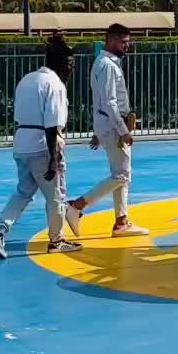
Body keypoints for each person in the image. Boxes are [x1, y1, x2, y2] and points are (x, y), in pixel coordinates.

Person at [0, 34, 81, 259]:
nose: (71, 70)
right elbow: (51, 126)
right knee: (56, 194)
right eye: (69, 64)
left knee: (23, 192)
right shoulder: (55, 85)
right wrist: (53, 159)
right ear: (58, 63)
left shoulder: (28, 79)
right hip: (41, 146)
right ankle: (56, 240)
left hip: (21, 143)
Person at [65, 23, 148, 238]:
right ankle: (77, 206)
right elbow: (109, 102)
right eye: (123, 42)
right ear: (111, 40)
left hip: (108, 125)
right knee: (121, 175)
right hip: (113, 126)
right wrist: (123, 130)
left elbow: (100, 101)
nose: (126, 46)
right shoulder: (108, 65)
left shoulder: (104, 63)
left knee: (121, 174)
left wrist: (100, 130)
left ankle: (121, 222)